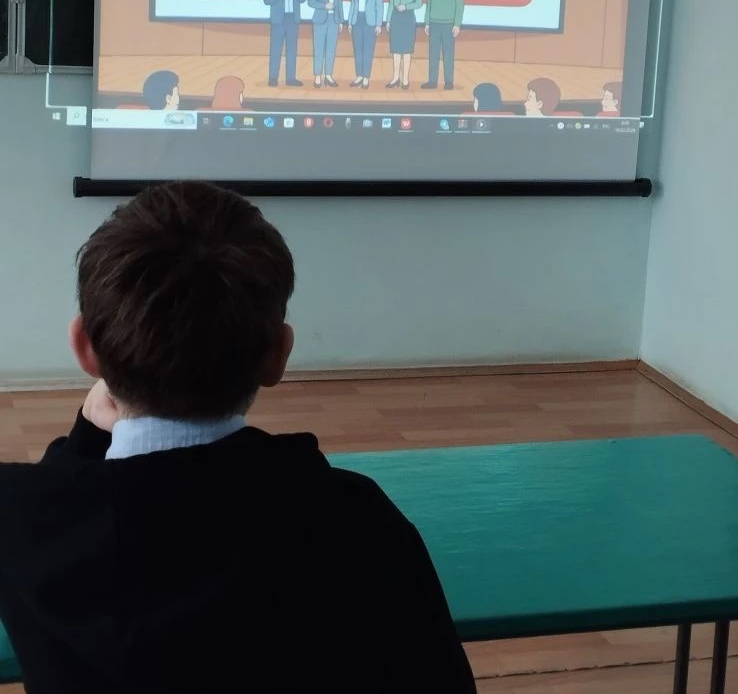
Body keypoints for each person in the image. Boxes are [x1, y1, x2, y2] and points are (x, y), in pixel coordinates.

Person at [0, 182, 476, 694]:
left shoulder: (20, 521)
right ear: (278, 355)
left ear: (84, 348)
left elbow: (68, 499)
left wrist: (86, 438)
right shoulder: (355, 521)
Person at [422, 0, 464, 91]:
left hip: (449, 25)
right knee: (433, 54)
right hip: (434, 24)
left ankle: (449, 81)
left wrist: (457, 24)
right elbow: (429, 4)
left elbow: (459, 5)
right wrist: (427, 22)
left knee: (448, 54)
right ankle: (432, 81)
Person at [385, 0, 422, 90]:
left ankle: (405, 79)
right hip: (395, 18)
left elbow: (419, 2)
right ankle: (395, 78)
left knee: (406, 51)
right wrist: (388, 20)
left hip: (407, 18)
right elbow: (391, 3)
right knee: (395, 50)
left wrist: (406, 6)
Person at [307, 0, 344, 88]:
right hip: (320, 20)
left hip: (334, 20)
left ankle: (328, 75)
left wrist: (341, 20)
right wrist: (324, 5)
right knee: (319, 48)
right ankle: (318, 76)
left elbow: (339, 3)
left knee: (331, 49)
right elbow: (311, 2)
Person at [348, 0, 384, 89]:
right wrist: (350, 22)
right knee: (357, 49)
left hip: (370, 22)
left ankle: (366, 78)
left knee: (368, 50)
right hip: (357, 20)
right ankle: (359, 75)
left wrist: (379, 24)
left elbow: (379, 7)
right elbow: (353, 5)